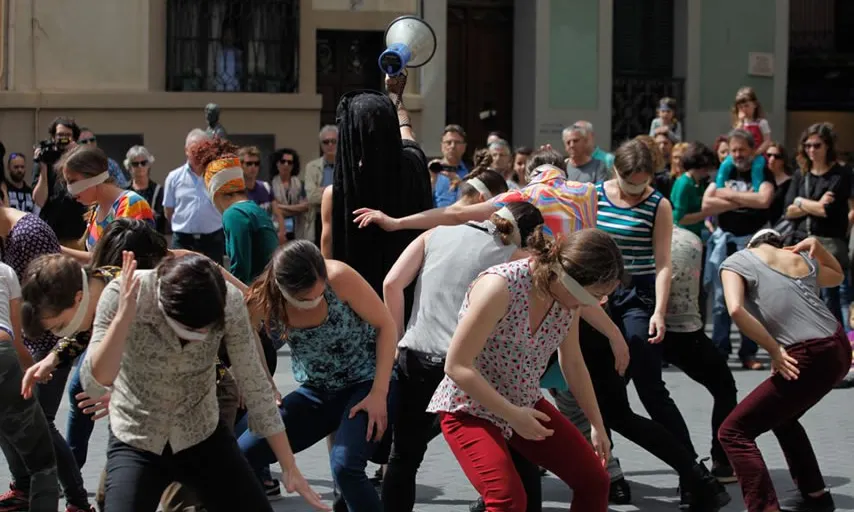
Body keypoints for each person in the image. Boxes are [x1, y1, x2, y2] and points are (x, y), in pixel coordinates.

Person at [71, 252, 324, 511]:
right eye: (191, 331)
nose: (200, 339)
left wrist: (289, 465)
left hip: (201, 432)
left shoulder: (229, 300)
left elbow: (255, 384)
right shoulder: (124, 293)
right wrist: (122, 320)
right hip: (136, 436)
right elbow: (92, 381)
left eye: (208, 330)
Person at [428, 228, 623, 511]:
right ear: (567, 277)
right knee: (508, 500)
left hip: (524, 403)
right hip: (469, 407)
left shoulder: (568, 300)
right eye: (594, 296)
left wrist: (596, 425)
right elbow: (456, 366)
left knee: (595, 481)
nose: (593, 305)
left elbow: (573, 362)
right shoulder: (500, 287)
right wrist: (512, 415)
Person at [381, 203, 545, 512]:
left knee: (403, 456)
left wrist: (398, 339)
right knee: (517, 453)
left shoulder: (436, 234)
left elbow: (392, 283)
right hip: (470, 370)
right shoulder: (515, 256)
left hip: (416, 357)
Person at [239, 241, 397, 512]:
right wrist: (266, 383)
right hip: (317, 390)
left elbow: (386, 325)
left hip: (367, 383)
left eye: (319, 294)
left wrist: (379, 393)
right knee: (243, 451)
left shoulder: (340, 277)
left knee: (345, 466)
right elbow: (245, 331)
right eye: (304, 299)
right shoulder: (264, 297)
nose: (314, 301)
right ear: (282, 289)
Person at [718, 230, 850, 512]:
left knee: (733, 432)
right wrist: (819, 247)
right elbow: (838, 276)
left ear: (751, 244)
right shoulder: (799, 258)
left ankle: (765, 508)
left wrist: (774, 350)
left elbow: (735, 309)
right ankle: (816, 497)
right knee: (784, 418)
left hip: (808, 354)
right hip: (837, 348)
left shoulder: (736, 261)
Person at [331, 74, 433, 305]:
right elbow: (407, 130)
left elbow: (329, 261)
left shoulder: (335, 193)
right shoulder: (414, 165)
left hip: (358, 308)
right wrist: (396, 94)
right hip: (410, 304)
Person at [0, 261, 58, 512]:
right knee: (42, 463)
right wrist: (33, 369)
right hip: (2, 357)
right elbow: (17, 334)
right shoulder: (4, 271)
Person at [193, 138, 279, 284]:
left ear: (216, 192)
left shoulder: (234, 214)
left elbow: (241, 269)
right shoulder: (254, 208)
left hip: (257, 295)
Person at [56, 145, 155, 264]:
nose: (70, 190)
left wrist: (58, 250)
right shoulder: (96, 210)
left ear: (93, 177)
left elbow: (116, 259)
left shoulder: (132, 204)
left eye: (72, 181)